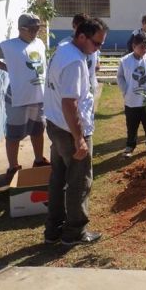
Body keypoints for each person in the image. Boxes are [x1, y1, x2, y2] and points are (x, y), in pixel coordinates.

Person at [43, 18, 108, 246]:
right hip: (69, 130)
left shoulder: (63, 48)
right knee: (79, 181)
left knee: (58, 178)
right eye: (97, 44)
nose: (98, 49)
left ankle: (53, 230)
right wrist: (79, 138)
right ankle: (74, 233)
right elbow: (69, 103)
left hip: (55, 125)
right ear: (82, 37)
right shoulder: (74, 62)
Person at [0, 13, 49, 181]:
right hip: (18, 98)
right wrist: (7, 68)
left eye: (37, 29)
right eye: (32, 29)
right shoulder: (8, 46)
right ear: (21, 29)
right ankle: (13, 167)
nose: (35, 32)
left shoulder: (39, 43)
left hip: (38, 97)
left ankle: (39, 160)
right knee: (14, 134)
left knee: (38, 130)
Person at [117, 33, 146, 158]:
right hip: (131, 100)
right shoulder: (125, 61)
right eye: (141, 47)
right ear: (133, 46)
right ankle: (130, 145)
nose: (144, 50)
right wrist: (125, 90)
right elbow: (120, 77)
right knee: (132, 125)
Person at [58, 13, 100, 95]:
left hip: (90, 85)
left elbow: (97, 52)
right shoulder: (65, 45)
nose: (84, 30)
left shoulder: (91, 41)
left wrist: (97, 61)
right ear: (74, 26)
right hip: (75, 88)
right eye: (81, 27)